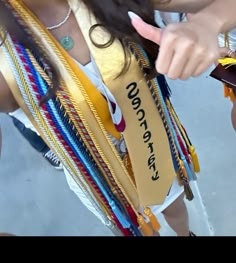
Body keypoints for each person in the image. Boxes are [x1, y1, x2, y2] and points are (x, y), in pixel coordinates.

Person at [0, 0, 224, 237]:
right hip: (102, 177)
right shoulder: (7, 60)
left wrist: (208, 24)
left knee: (175, 206)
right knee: (139, 229)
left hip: (152, 141)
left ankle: (185, 234)